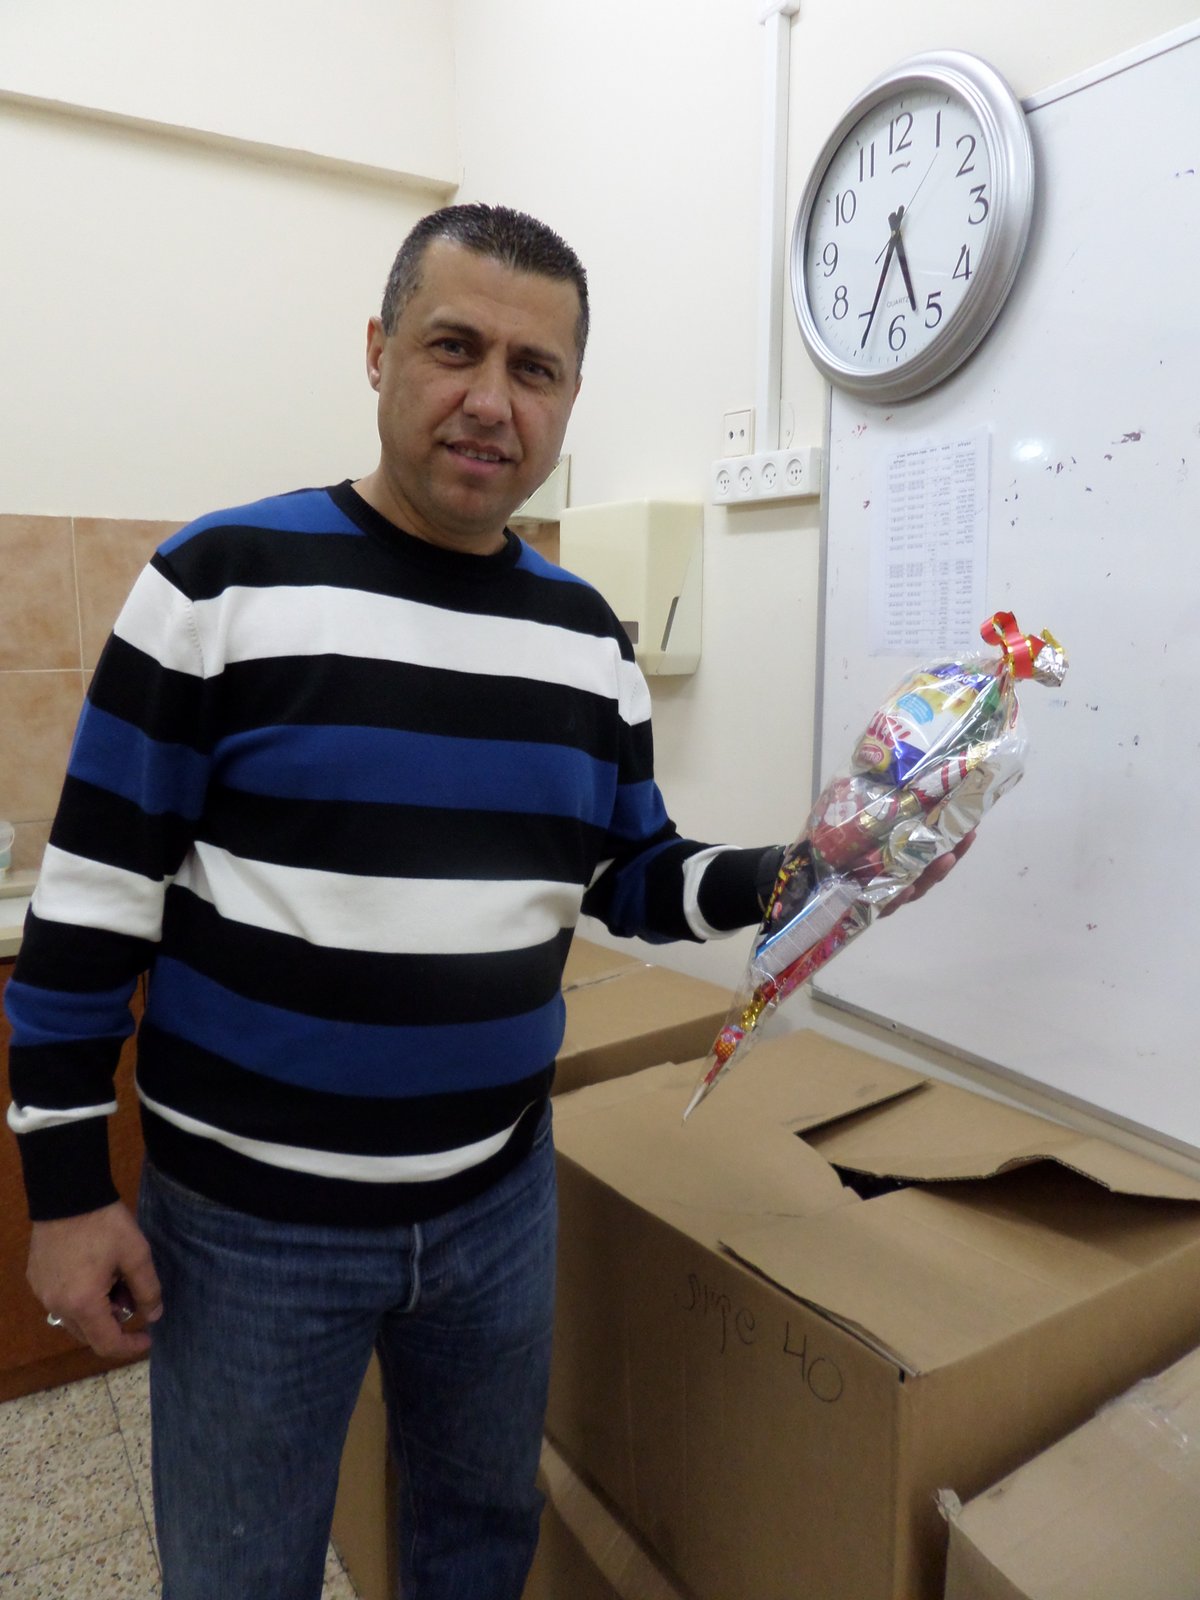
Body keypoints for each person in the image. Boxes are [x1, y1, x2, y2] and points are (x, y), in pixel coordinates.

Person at [5, 203, 967, 1600]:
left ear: (569, 399)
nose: (491, 400)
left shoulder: (584, 640)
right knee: (239, 1572)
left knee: (478, 1540)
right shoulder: (219, 583)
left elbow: (629, 872)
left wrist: (803, 872)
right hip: (249, 1227)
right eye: (455, 348)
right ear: (379, 350)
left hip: (496, 1208)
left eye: (535, 369)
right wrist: (65, 1195)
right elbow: (91, 910)